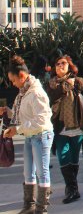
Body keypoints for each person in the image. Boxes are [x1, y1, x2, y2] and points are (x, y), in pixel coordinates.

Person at [1, 55, 54, 214]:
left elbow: (41, 120)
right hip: (31, 135)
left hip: (41, 135)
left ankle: (41, 208)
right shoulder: (24, 92)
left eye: (13, 80)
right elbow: (23, 115)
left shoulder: (36, 93)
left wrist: (17, 130)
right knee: (28, 172)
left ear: (22, 76)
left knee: (42, 172)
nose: (13, 83)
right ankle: (29, 205)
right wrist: (8, 112)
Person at [47, 54, 83, 204]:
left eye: (63, 63)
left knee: (73, 157)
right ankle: (72, 188)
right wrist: (64, 87)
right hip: (59, 127)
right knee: (63, 155)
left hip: (78, 125)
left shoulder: (79, 82)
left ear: (69, 66)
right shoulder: (51, 84)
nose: (60, 66)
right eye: (57, 63)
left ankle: (72, 188)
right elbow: (49, 99)